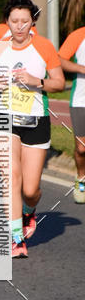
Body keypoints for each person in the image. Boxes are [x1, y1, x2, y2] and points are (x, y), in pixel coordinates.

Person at [0, 0, 64, 257]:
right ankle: (16, 239)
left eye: (25, 21)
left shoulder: (44, 46)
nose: (19, 26)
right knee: (10, 176)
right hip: (3, 117)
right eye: (14, 21)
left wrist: (37, 81)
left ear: (32, 21)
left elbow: (59, 82)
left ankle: (28, 211)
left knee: (30, 190)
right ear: (7, 22)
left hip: (36, 119)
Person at [57, 27, 85, 202]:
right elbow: (59, 60)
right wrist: (81, 68)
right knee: (81, 148)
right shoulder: (79, 34)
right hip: (81, 100)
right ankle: (81, 178)